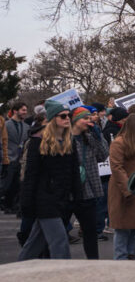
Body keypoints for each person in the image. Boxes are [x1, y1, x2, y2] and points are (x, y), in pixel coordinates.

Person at [17, 100, 82, 260]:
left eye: (69, 116)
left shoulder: (69, 141)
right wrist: (26, 203)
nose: (67, 119)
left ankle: (15, 272)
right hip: (44, 199)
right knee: (60, 241)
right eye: (63, 116)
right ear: (53, 119)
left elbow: (74, 173)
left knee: (35, 243)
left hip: (61, 199)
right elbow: (31, 175)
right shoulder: (38, 142)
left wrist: (77, 196)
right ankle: (62, 278)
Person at [106, 109, 135, 260]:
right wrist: (128, 190)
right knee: (123, 229)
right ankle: (120, 261)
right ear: (134, 126)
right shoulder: (119, 143)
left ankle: (131, 259)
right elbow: (117, 168)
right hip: (123, 192)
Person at [68, 106, 108, 258]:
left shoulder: (89, 137)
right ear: (76, 121)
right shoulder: (65, 138)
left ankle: (93, 262)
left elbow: (103, 155)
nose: (88, 121)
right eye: (85, 118)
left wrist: (99, 136)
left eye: (90, 118)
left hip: (88, 189)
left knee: (90, 232)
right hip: (70, 190)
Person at [2, 101, 30, 212]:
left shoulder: (26, 127)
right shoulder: (5, 125)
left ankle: (13, 205)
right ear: (15, 111)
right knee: (6, 184)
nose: (25, 112)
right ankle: (5, 204)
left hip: (21, 159)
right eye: (23, 110)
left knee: (17, 185)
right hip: (9, 158)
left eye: (26, 110)